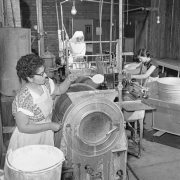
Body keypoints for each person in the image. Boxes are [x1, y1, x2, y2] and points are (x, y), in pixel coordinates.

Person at [4, 54, 77, 179]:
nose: (46, 75)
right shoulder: (24, 97)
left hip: (44, 134)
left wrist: (69, 80)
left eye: (45, 72)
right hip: (29, 139)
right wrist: (49, 125)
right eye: (41, 73)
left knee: (44, 170)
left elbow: (59, 90)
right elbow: (23, 127)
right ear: (29, 78)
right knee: (30, 171)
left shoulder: (46, 84)